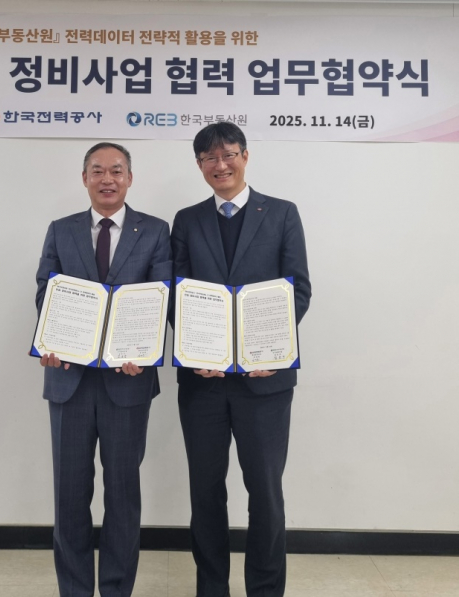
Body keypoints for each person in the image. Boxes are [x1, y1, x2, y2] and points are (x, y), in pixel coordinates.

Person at [171, 122, 311, 597]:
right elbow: (177, 294)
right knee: (205, 492)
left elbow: (298, 289)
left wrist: (271, 348)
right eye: (209, 158)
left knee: (265, 492)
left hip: (265, 380)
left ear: (245, 156)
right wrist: (195, 349)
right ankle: (212, 588)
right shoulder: (187, 220)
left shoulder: (283, 213)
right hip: (203, 381)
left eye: (229, 154)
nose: (221, 165)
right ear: (199, 165)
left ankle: (265, 590)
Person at [35, 142, 172, 597]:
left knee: (123, 496)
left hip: (127, 382)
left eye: (116, 170)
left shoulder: (155, 231)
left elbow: (161, 296)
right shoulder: (61, 230)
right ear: (85, 178)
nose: (107, 179)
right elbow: (46, 292)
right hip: (68, 381)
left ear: (130, 178)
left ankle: (116, 590)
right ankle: (74, 590)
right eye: (97, 170)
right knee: (69, 497)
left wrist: (144, 348)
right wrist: (52, 339)